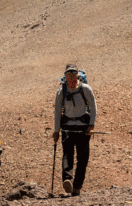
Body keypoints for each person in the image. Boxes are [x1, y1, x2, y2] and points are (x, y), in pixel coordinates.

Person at [53, 64, 97, 196]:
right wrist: (56, 131)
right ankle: (68, 179)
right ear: (66, 76)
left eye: (73, 76)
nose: (71, 79)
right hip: (67, 128)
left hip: (83, 129)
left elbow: (93, 108)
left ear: (77, 74)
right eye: (68, 76)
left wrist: (91, 125)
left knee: (82, 158)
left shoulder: (86, 89)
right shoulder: (61, 91)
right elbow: (57, 112)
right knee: (68, 154)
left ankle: (77, 187)